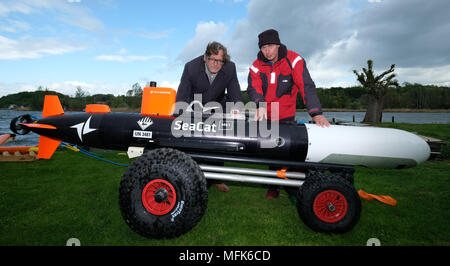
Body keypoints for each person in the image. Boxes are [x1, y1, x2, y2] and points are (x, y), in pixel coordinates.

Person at [247, 29, 330, 199]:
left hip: (285, 116)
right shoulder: (256, 66)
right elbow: (253, 88)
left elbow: (305, 85)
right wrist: (259, 104)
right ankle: (274, 185)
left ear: (278, 44)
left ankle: (300, 181)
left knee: (289, 150)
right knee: (271, 151)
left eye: (270, 46)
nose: (267, 51)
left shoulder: (294, 60)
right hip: (265, 117)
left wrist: (316, 113)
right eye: (263, 47)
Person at [176, 41, 243, 192]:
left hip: (219, 108)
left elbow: (235, 92)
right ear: (205, 57)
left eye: (219, 61)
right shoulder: (191, 67)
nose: (215, 64)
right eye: (212, 59)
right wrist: (181, 119)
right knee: (197, 145)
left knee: (219, 146)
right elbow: (182, 96)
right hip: (196, 108)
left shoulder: (230, 67)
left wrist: (238, 111)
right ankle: (194, 179)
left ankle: (216, 179)